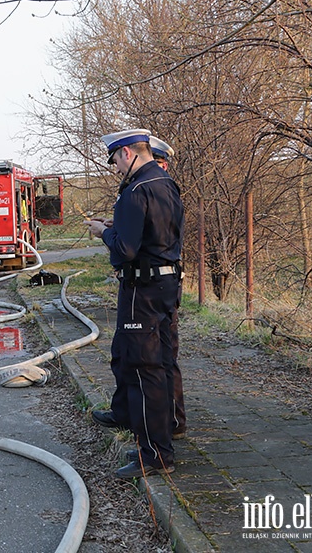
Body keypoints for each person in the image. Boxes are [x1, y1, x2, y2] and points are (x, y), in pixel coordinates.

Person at [84, 128, 184, 479]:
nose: (113, 169)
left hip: (142, 289)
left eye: (114, 161)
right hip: (168, 283)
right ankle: (160, 434)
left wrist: (103, 233)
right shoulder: (164, 183)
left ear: (126, 153)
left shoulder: (135, 190)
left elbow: (125, 250)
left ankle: (155, 454)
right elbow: (158, 234)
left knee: (146, 370)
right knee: (159, 361)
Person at [147, 134, 186, 440]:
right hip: (166, 283)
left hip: (159, 285)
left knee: (164, 357)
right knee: (163, 355)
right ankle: (172, 420)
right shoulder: (163, 190)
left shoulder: (160, 191)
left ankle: (173, 422)